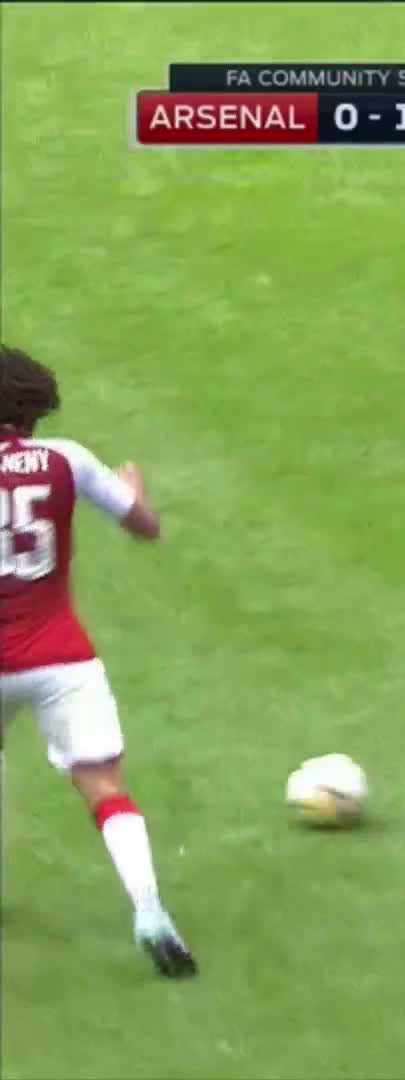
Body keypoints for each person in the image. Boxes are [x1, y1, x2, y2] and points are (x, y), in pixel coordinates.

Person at [0, 345, 196, 979]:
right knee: (105, 788)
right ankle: (149, 910)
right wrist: (134, 491)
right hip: (60, 657)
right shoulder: (68, 459)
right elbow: (145, 526)